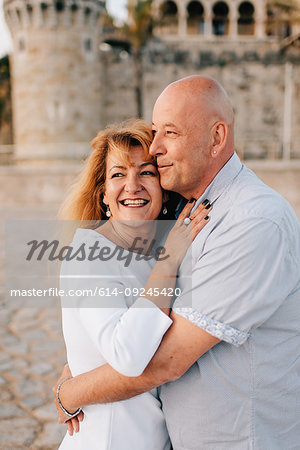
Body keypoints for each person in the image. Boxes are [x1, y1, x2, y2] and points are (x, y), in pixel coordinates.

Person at [54, 76, 300, 449]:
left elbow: (166, 359)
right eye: (155, 133)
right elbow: (120, 339)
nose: (156, 148)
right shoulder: (177, 229)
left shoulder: (250, 221)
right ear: (103, 193)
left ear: (216, 138)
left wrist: (70, 393)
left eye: (170, 133)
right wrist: (79, 365)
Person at [56, 119, 211, 449]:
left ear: (163, 187)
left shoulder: (155, 250)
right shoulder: (89, 254)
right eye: (118, 174)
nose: (133, 185)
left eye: (146, 172)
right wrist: (171, 258)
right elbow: (127, 355)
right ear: (103, 194)